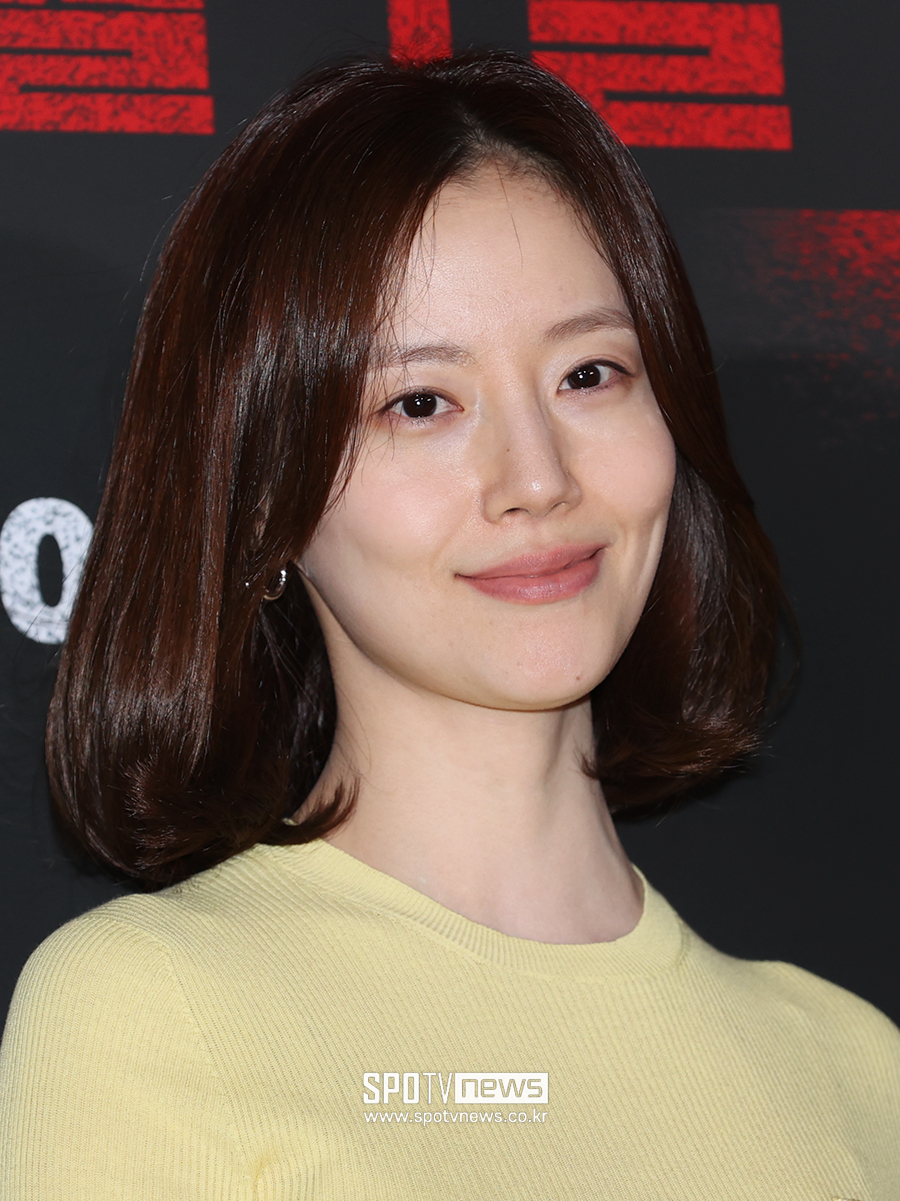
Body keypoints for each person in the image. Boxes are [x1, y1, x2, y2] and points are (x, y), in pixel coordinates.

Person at [0, 51, 897, 1199]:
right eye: (420, 403)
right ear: (266, 503)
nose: (538, 478)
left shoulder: (853, 1070)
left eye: (590, 374)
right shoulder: (158, 1015)